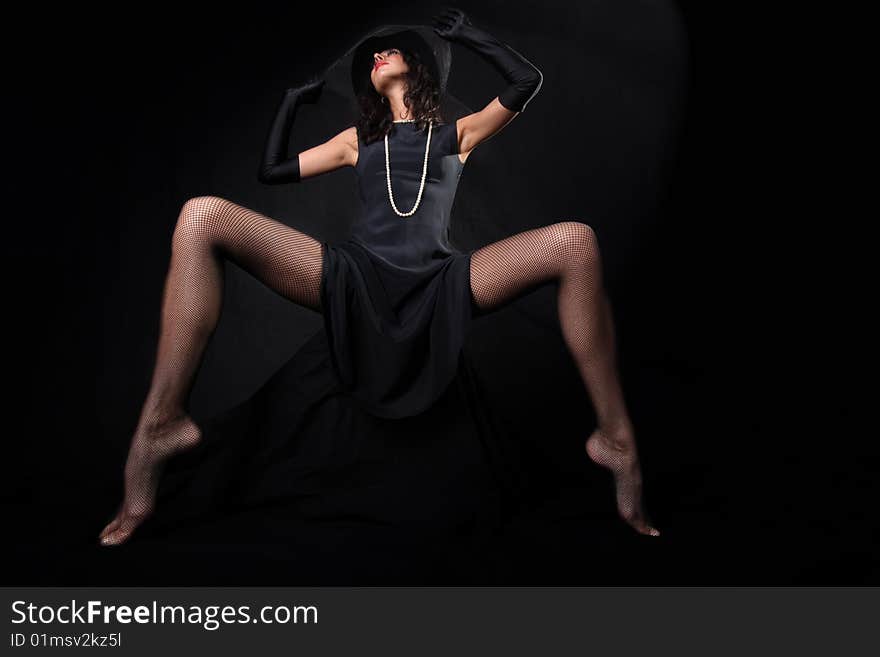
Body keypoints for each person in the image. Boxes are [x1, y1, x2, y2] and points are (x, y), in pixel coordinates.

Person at [98, 8, 659, 549]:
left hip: (441, 282)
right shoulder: (355, 141)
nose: (379, 56)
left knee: (574, 242)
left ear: (418, 67)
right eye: (372, 56)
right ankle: (162, 421)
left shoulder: (457, 134)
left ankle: (615, 437)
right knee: (201, 216)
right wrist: (291, 105)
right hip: (354, 279)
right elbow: (271, 171)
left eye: (391, 50)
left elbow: (525, 80)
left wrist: (472, 37)